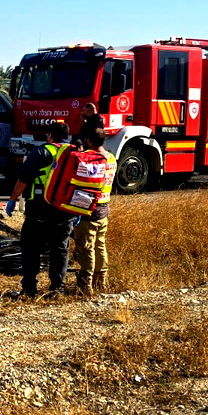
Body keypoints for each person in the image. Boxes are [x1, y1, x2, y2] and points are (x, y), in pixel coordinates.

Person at [6, 122, 73, 298]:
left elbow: (24, 179)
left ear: (49, 135)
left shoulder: (42, 152)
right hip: (66, 208)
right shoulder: (74, 153)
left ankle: (29, 288)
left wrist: (13, 199)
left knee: (31, 246)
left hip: (39, 206)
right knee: (60, 247)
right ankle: (57, 288)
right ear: (66, 136)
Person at [72, 126, 117, 295]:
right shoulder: (111, 158)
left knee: (86, 246)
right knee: (100, 245)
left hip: (89, 208)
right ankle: (101, 282)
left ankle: (86, 285)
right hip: (104, 207)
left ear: (89, 141)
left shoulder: (91, 159)